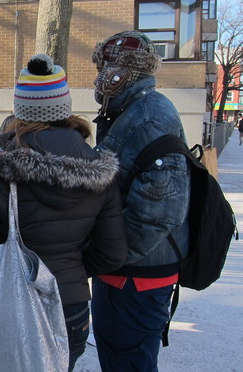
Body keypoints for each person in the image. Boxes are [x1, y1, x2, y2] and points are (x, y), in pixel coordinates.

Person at [0, 54, 128, 371]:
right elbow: (113, 253)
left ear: (21, 109)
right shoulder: (101, 173)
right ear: (64, 108)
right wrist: (69, 271)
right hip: (70, 308)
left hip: (8, 306)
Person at [89, 31, 191, 371]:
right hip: (126, 274)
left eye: (104, 68)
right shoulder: (129, 110)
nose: (98, 77)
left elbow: (161, 210)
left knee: (128, 363)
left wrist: (110, 256)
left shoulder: (147, 116)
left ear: (121, 72)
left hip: (134, 277)